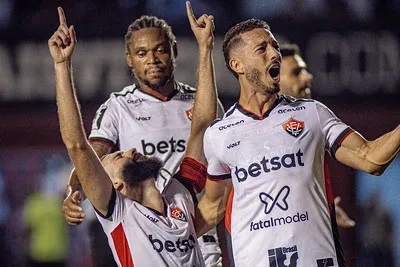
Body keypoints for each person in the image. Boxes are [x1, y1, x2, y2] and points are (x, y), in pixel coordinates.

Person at [198, 18, 400, 267]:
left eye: (274, 46)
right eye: (262, 49)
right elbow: (212, 206)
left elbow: (370, 159)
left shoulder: (312, 113)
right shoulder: (220, 134)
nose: (274, 53)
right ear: (237, 65)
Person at [49, 4, 217, 266]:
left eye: (160, 50)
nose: (133, 150)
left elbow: (203, 125)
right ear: (129, 58)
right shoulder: (121, 211)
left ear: (173, 51)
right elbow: (84, 151)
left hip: (191, 221)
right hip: (148, 214)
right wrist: (76, 190)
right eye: (141, 53)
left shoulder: (181, 191)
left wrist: (206, 48)